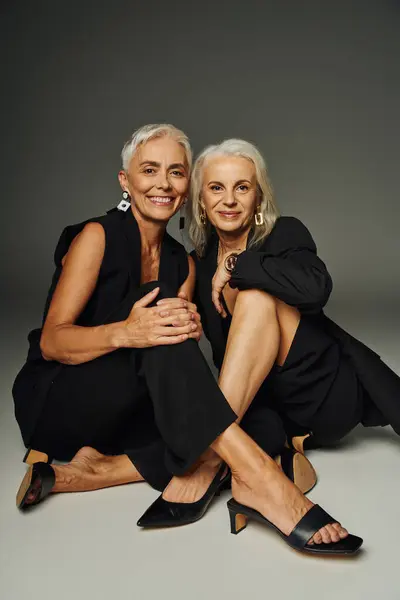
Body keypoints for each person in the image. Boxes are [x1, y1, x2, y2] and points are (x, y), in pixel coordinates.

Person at [12, 125, 361, 556]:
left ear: (185, 187)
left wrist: (185, 330)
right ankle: (264, 482)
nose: (163, 183)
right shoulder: (97, 236)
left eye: (176, 172)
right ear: (126, 181)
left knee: (259, 420)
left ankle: (96, 470)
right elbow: (51, 342)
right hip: (61, 399)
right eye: (149, 170)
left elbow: (178, 372)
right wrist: (129, 332)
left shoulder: (184, 264)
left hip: (130, 418)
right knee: (164, 325)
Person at [187, 138, 400, 471]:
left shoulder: (285, 233)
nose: (229, 200)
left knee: (256, 295)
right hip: (266, 409)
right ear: (201, 201)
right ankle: (266, 450)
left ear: (258, 198)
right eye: (216, 188)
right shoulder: (197, 264)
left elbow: (316, 290)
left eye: (242, 188)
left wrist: (235, 265)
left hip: (322, 394)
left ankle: (212, 452)